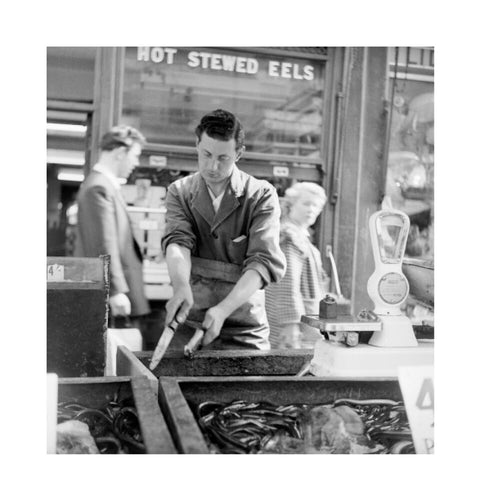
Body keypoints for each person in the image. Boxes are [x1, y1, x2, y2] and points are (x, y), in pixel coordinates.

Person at [161, 109, 286, 350]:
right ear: (197, 144)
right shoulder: (180, 191)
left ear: (239, 153)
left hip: (244, 326)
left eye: (223, 158)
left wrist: (222, 310)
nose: (212, 166)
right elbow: (178, 243)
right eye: (206, 154)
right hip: (189, 318)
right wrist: (180, 286)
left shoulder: (260, 194)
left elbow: (262, 262)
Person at [75, 125, 150, 329]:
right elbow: (103, 243)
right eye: (134, 155)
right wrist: (115, 291)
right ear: (119, 153)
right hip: (115, 297)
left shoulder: (103, 185)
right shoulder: (98, 188)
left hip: (120, 293)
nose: (135, 162)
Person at [265, 182, 330, 349]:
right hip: (295, 325)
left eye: (316, 206)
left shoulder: (299, 235)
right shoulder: (289, 236)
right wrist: (290, 324)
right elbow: (287, 283)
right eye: (306, 203)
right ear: (290, 205)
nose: (311, 210)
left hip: (305, 320)